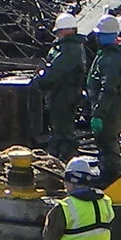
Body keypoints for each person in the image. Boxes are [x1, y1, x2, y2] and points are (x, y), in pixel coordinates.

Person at [84, 16, 121, 184]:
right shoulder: (116, 52)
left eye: (100, 35)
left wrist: (99, 113)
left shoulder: (112, 59)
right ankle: (110, 173)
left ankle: (112, 178)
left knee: (107, 140)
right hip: (116, 103)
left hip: (111, 106)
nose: (97, 38)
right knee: (108, 139)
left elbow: (108, 89)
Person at [34, 11, 87, 161]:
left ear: (66, 30)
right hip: (58, 93)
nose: (57, 34)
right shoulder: (63, 47)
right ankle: (57, 156)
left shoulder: (71, 50)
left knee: (64, 130)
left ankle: (67, 159)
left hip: (65, 95)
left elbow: (55, 72)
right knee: (58, 128)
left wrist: (40, 80)